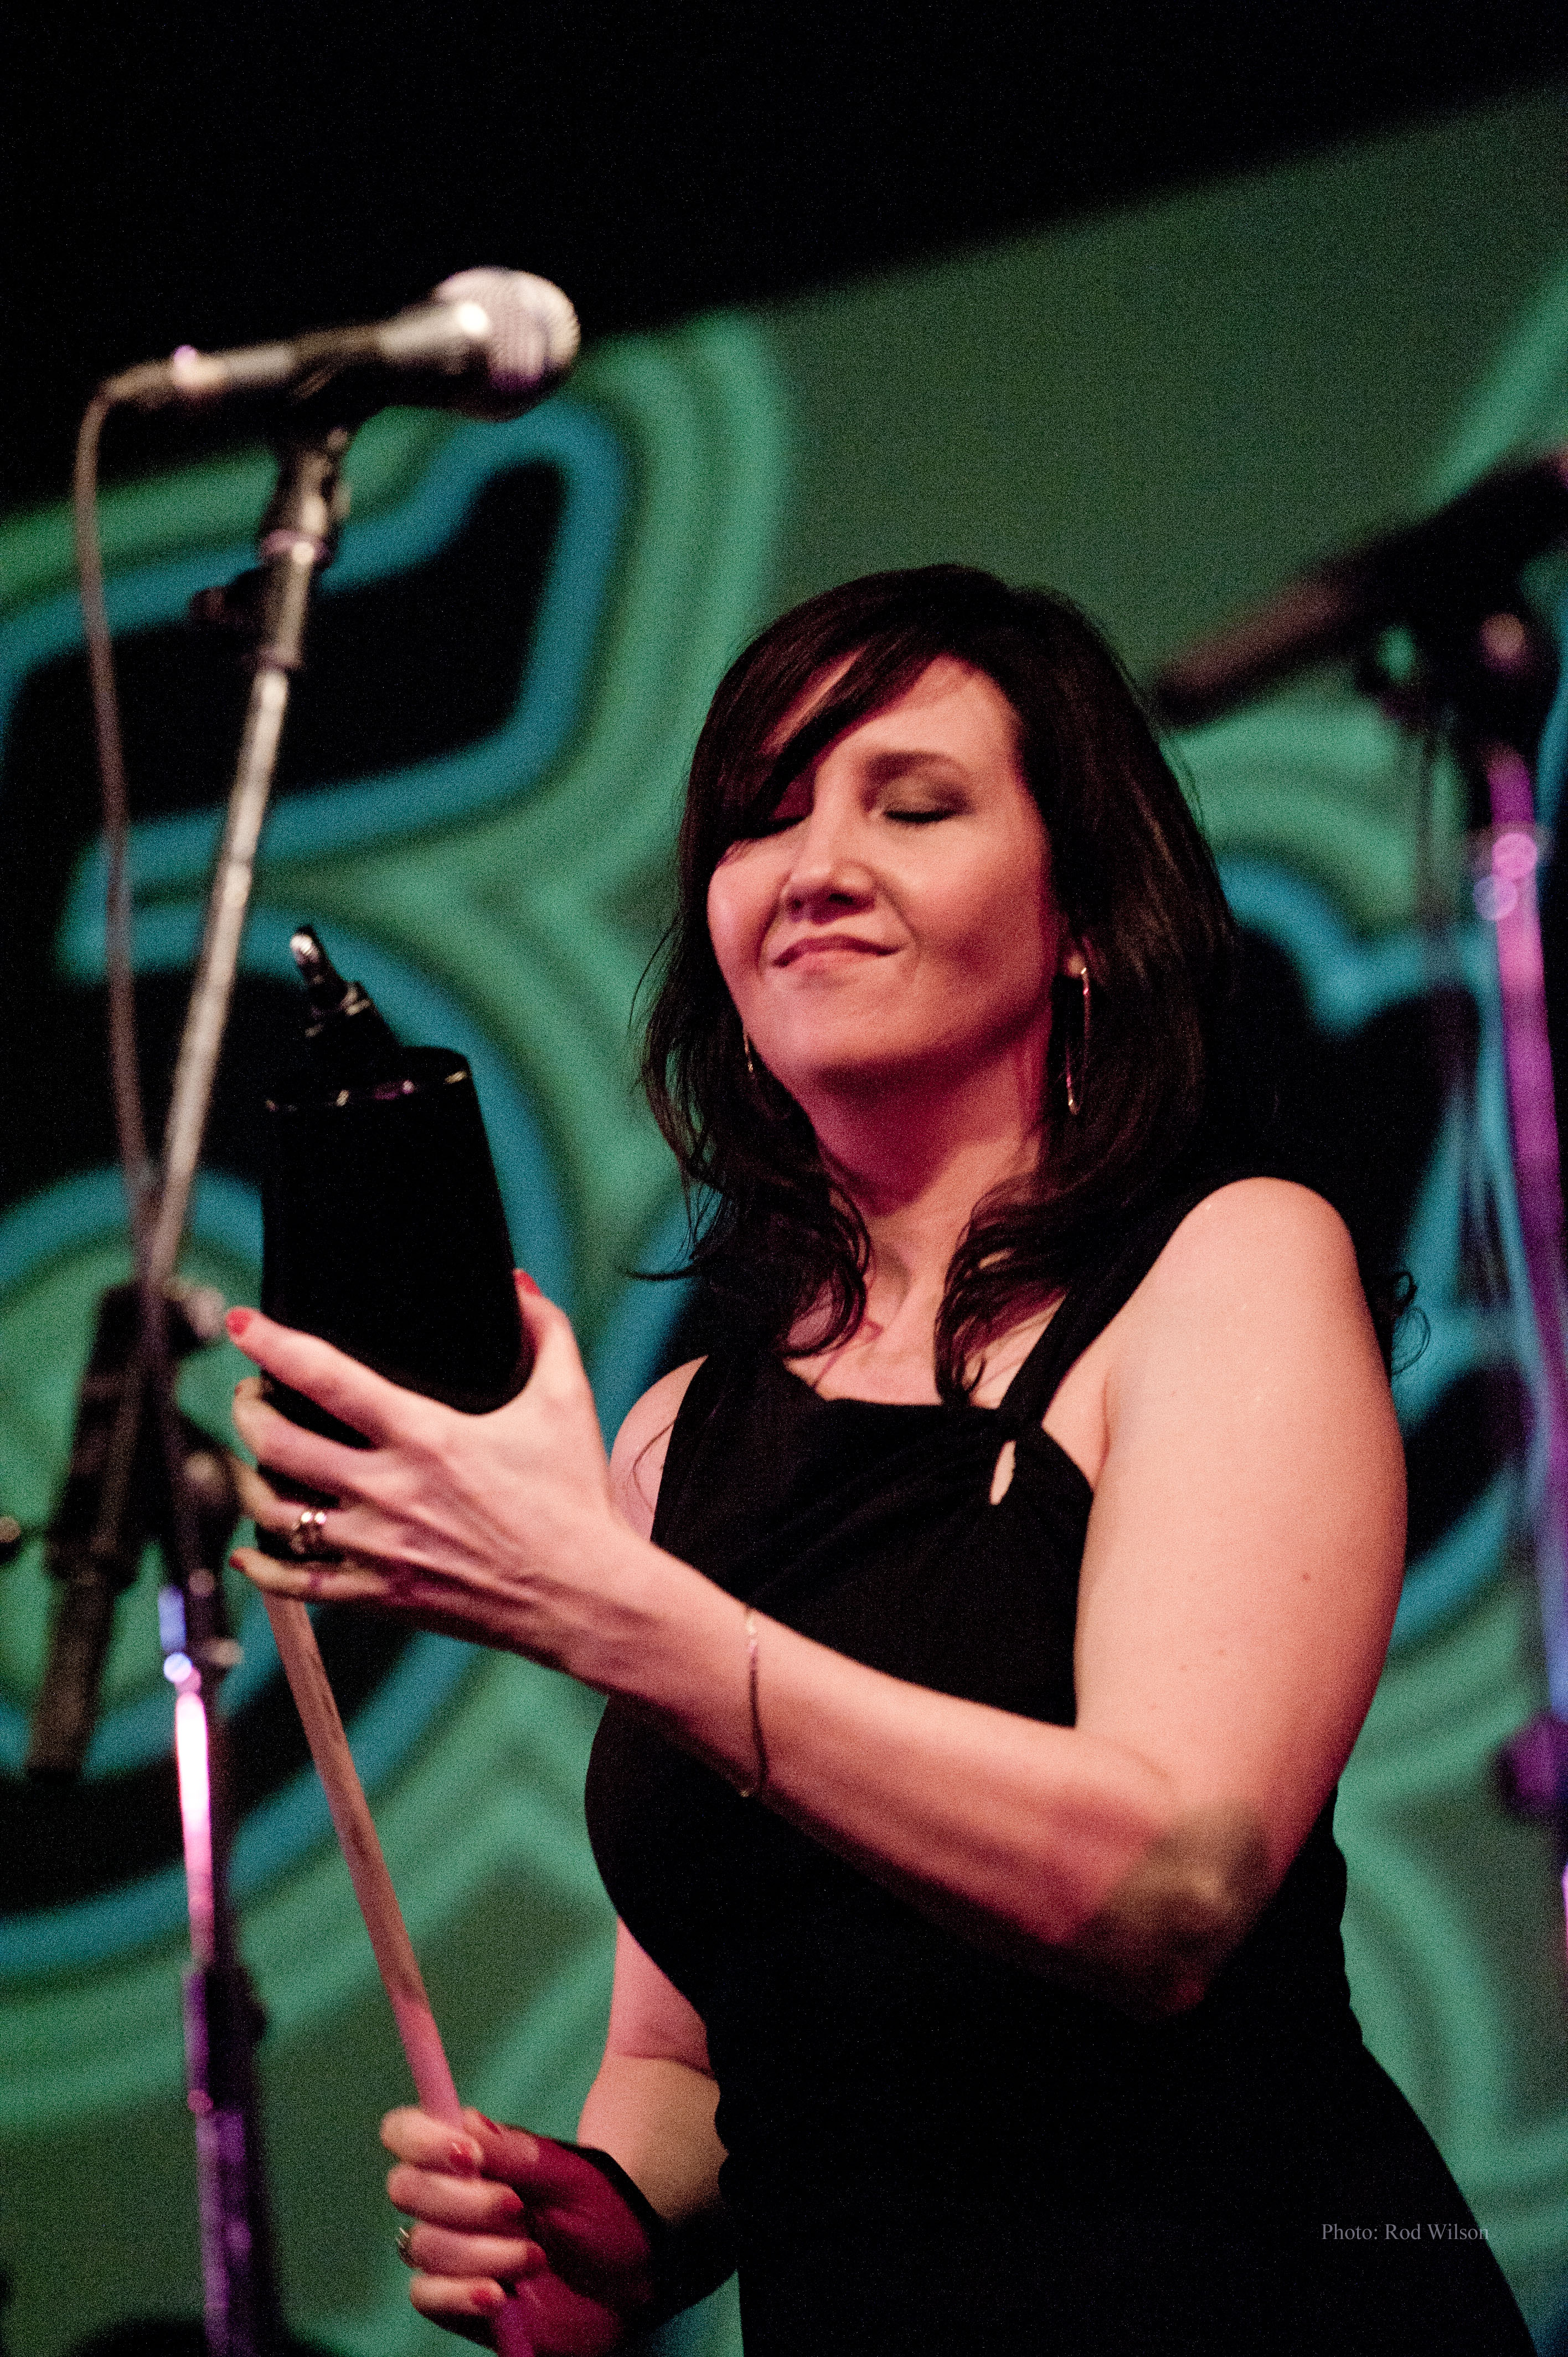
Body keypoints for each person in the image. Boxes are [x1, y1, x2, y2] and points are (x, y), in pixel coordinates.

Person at [229, 567, 1534, 2354]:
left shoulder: (1223, 1268)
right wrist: (614, 2230)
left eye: (912, 807)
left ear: (1086, 917)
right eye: (763, 820)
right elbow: (685, 2065)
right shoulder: (681, 1441)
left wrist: (618, 1615)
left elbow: (1174, 1885)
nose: (816, 866)